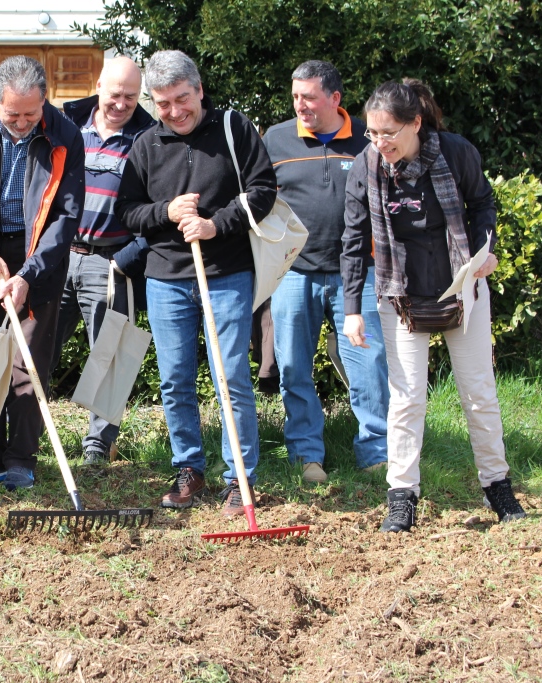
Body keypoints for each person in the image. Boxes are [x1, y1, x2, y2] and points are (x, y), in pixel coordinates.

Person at [341, 79, 526, 532]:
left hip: (461, 286)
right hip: (400, 293)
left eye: (389, 133)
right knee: (406, 400)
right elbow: (351, 237)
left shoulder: (456, 152)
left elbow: (482, 203)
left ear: (416, 123)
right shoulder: (365, 165)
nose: (380, 142)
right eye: (372, 133)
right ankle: (402, 496)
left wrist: (486, 251)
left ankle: (498, 488)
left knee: (479, 393)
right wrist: (351, 308)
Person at [115, 50, 277, 512]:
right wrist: (165, 212)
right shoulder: (146, 145)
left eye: (182, 99)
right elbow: (127, 211)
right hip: (166, 278)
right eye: (163, 103)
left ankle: (239, 478)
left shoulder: (233, 128)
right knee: (175, 380)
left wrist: (214, 225)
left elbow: (263, 190)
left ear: (199, 90)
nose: (174, 111)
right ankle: (189, 469)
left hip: (227, 273)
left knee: (230, 378)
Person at [0, 55, 85, 490]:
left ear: (45, 101)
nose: (22, 123)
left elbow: (66, 216)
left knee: (29, 362)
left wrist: (29, 274)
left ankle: (21, 456)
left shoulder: (65, 134)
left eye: (30, 114)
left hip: (38, 258)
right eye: (12, 114)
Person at [262, 60, 389, 483]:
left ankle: (377, 454)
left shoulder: (369, 142)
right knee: (294, 367)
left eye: (310, 97)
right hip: (294, 274)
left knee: (369, 366)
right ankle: (306, 455)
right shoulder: (276, 139)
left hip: (360, 275)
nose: (301, 105)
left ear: (335, 98)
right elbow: (260, 201)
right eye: (295, 96)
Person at [56, 56, 154, 466]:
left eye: (131, 96)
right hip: (59, 259)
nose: (122, 103)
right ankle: (18, 433)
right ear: (98, 86)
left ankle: (99, 442)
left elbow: (157, 208)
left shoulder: (150, 137)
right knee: (33, 346)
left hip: (110, 264)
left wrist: (127, 259)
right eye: (115, 93)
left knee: (110, 355)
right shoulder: (67, 125)